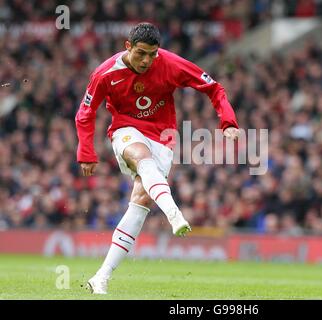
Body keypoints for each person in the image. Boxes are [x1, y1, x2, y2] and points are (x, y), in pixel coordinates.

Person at [75, 22, 240, 294]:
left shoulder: (171, 64)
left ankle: (101, 277)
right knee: (141, 157)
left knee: (140, 200)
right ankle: (173, 213)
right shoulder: (105, 73)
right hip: (125, 129)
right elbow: (85, 112)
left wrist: (228, 121)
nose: (146, 60)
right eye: (141, 53)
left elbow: (214, 88)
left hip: (163, 138)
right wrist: (86, 152)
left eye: (152, 54)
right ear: (128, 47)